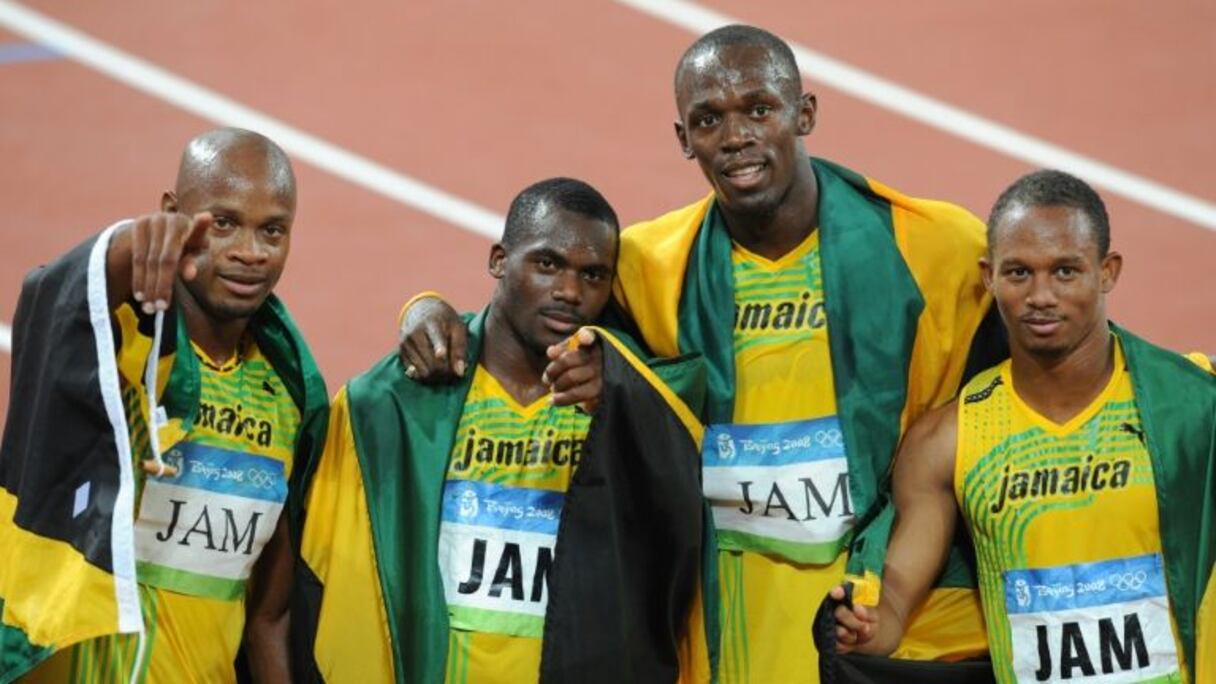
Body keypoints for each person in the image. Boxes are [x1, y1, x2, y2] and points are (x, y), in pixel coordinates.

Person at [397, 25, 1004, 682]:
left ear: (805, 113)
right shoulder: (652, 266)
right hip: (722, 631)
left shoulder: (936, 248)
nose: (736, 134)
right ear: (685, 139)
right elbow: (537, 307)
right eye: (709, 118)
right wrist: (430, 310)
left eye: (759, 109)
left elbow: (1026, 374)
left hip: (883, 624)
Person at [294, 178, 706, 683]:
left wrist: (624, 392)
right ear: (498, 261)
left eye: (593, 274)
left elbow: (684, 514)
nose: (570, 291)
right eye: (547, 263)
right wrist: (419, 306)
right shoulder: (399, 400)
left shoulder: (625, 400)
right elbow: (322, 574)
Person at [828, 169, 1216, 683]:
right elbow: (898, 594)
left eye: (1065, 272)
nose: (1041, 295)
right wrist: (873, 623)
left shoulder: (1189, 404)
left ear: (1107, 271)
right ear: (989, 277)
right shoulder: (950, 439)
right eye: (1018, 273)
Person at [0, 128, 328, 683]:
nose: (250, 252)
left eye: (272, 230)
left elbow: (269, 616)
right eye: (222, 223)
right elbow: (62, 302)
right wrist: (130, 242)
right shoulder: (129, 347)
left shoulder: (287, 393)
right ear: (174, 211)